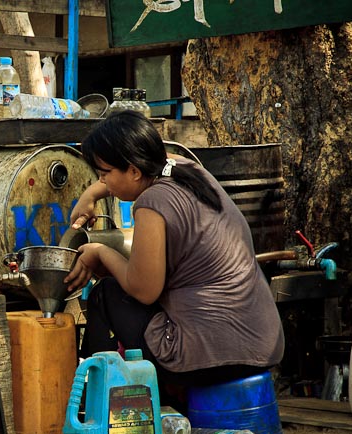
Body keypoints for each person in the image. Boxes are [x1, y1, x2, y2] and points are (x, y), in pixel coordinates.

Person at [65, 110, 283, 409]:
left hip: (206, 359)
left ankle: (103, 411)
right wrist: (92, 193)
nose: (104, 182)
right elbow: (156, 158)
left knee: (107, 295)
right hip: (262, 347)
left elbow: (144, 290)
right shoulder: (189, 170)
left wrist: (101, 253)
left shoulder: (152, 203)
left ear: (134, 171)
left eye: (104, 174)